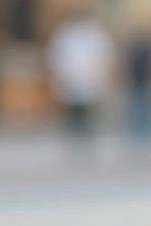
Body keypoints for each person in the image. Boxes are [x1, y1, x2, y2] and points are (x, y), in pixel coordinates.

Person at [47, 9, 114, 144]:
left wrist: (102, 74)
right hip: (71, 79)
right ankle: (73, 139)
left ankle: (86, 140)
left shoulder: (95, 34)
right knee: (73, 112)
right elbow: (56, 56)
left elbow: (104, 56)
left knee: (88, 113)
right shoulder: (66, 34)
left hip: (90, 79)